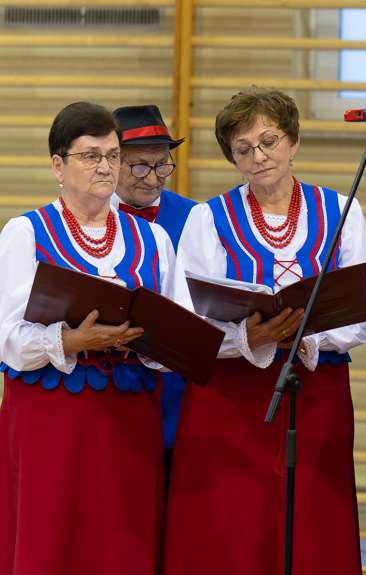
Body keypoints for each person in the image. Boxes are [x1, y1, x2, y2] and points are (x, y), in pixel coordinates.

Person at [162, 86, 366, 575]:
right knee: (231, 528)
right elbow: (187, 317)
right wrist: (249, 338)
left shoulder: (341, 210)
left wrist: (304, 334)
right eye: (244, 149)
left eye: (269, 141)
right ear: (232, 158)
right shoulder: (207, 217)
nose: (258, 156)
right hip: (230, 398)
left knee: (313, 525)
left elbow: (364, 308)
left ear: (294, 141)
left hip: (317, 390)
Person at [0, 102, 176, 574]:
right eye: (90, 155)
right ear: (58, 165)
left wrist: (153, 341)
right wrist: (70, 341)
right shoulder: (25, 232)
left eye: (113, 155)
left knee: (123, 541)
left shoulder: (154, 240)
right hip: (51, 418)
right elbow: (7, 339)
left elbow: (175, 332)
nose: (105, 166)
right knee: (51, 539)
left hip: (130, 418)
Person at [112, 104, 197, 485]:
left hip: (179, 399)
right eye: (140, 166)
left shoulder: (198, 217)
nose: (153, 178)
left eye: (162, 165)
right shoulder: (87, 217)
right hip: (107, 394)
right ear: (112, 162)